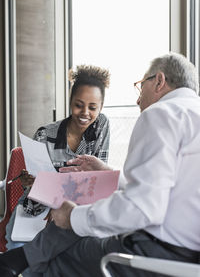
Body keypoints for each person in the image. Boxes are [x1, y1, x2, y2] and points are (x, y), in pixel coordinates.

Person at [1, 52, 200, 277]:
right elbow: (160, 190)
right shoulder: (191, 115)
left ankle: (19, 261)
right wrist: (108, 173)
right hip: (188, 256)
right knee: (68, 228)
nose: (137, 99)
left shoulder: (161, 114)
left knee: (52, 260)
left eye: (140, 85)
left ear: (159, 81)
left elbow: (142, 209)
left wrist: (72, 217)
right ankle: (20, 258)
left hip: (157, 251)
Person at [4, 65, 110, 275]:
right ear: (70, 102)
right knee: (22, 259)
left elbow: (96, 181)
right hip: (37, 209)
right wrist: (34, 183)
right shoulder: (45, 134)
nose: (85, 113)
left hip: (74, 208)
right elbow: (37, 189)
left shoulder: (101, 126)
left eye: (92, 107)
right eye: (79, 105)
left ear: (100, 108)